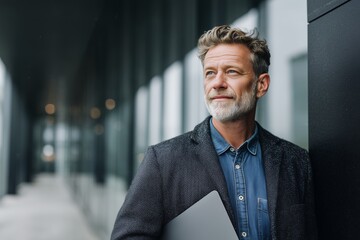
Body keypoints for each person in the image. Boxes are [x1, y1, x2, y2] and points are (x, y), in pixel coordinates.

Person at [110, 25, 317, 240]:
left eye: (231, 71)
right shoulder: (162, 161)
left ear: (261, 85)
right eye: (210, 73)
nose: (217, 83)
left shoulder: (297, 162)